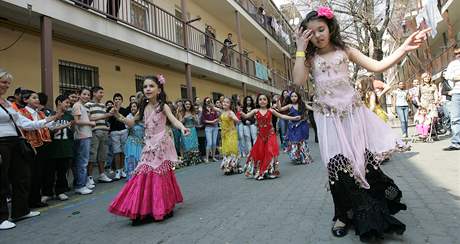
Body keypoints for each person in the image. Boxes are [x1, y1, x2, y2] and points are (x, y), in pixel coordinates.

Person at [293, 7, 428, 240]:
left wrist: (404, 47)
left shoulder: (346, 50)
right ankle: (342, 215)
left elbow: (378, 66)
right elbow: (297, 81)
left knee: (360, 162)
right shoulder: (309, 58)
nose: (318, 35)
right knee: (336, 165)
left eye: (321, 29)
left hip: (353, 115)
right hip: (327, 119)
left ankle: (370, 209)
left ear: (330, 27)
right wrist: (299, 50)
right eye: (311, 32)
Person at [109, 74, 187, 225]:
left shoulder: (163, 106)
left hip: (161, 144)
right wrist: (118, 115)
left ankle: (162, 208)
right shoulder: (143, 107)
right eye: (145, 86)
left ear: (159, 89)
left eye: (151, 86)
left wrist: (182, 127)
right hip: (148, 145)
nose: (148, 89)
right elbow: (131, 122)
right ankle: (142, 210)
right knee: (142, 174)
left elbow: (173, 119)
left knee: (159, 176)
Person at [0, 69, 61, 230]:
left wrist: (50, 118)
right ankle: (1, 218)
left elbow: (25, 123)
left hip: (16, 142)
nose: (6, 85)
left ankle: (21, 211)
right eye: (3, 82)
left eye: (8, 83)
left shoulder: (6, 103)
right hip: (2, 143)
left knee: (22, 177)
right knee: (2, 180)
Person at [241, 94, 301, 180]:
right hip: (261, 135)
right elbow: (246, 116)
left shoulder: (271, 110)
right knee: (261, 152)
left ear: (267, 101)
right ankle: (263, 170)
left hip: (270, 134)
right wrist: (241, 112)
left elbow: (282, 116)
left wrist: (294, 117)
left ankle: (272, 171)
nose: (262, 101)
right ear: (258, 101)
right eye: (260, 99)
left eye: (264, 99)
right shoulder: (255, 111)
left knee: (270, 151)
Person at [16, 90, 54, 208]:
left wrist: (56, 119)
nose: (37, 100)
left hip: (43, 145)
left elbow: (49, 126)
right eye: (34, 98)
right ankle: (31, 200)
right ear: (25, 100)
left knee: (41, 173)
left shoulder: (40, 113)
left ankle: (37, 198)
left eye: (37, 98)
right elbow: (29, 126)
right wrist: (51, 119)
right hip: (31, 146)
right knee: (32, 174)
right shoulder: (21, 112)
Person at [41, 95, 73, 203]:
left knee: (62, 172)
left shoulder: (69, 116)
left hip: (65, 148)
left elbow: (71, 133)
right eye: (66, 102)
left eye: (69, 103)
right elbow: (47, 130)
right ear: (59, 102)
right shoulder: (50, 115)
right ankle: (47, 193)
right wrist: (56, 128)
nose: (68, 105)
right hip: (52, 149)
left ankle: (60, 191)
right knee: (49, 173)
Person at [86, 86, 114, 188]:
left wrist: (107, 122)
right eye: (100, 92)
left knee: (103, 154)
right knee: (92, 154)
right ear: (94, 93)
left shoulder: (103, 106)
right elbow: (89, 118)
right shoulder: (88, 105)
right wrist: (105, 116)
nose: (102, 94)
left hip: (104, 132)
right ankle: (89, 177)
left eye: (103, 92)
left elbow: (104, 119)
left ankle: (102, 174)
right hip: (94, 132)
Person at [278, 91, 314, 164]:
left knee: (302, 141)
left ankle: (305, 157)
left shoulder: (303, 104)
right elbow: (280, 109)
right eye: (292, 96)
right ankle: (296, 157)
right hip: (293, 127)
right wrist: (278, 102)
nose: (293, 98)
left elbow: (312, 109)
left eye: (295, 96)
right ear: (290, 98)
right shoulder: (289, 106)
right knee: (294, 141)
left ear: (298, 97)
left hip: (302, 126)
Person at [72, 87, 96, 195]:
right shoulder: (77, 105)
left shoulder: (83, 106)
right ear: (79, 94)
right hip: (82, 136)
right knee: (82, 162)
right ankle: (80, 186)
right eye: (84, 94)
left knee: (83, 161)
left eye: (88, 95)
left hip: (86, 135)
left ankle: (82, 183)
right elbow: (76, 121)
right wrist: (90, 123)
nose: (86, 96)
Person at [212, 97, 242, 175]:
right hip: (224, 134)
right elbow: (214, 108)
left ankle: (233, 166)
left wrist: (235, 119)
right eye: (224, 102)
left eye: (227, 102)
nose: (225, 103)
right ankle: (228, 167)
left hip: (231, 133)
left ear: (230, 105)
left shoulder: (230, 112)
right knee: (226, 150)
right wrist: (209, 104)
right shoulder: (222, 111)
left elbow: (236, 119)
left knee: (231, 149)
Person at [108, 93, 129, 180]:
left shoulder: (125, 110)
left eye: (119, 99)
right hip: (114, 132)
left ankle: (122, 169)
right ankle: (117, 171)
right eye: (116, 99)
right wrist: (113, 111)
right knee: (116, 151)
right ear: (113, 101)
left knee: (123, 151)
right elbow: (109, 121)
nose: (117, 101)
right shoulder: (110, 110)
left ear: (122, 101)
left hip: (124, 131)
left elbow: (126, 121)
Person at [443, 47, 460, 151]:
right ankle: (456, 143)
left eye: (459, 53)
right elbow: (448, 76)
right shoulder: (453, 64)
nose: (458, 55)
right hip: (457, 93)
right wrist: (456, 77)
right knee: (455, 118)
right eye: (456, 53)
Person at [177, 100, 202, 166]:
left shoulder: (193, 112)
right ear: (184, 105)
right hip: (185, 129)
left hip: (193, 129)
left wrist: (194, 118)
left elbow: (197, 122)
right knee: (186, 144)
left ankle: (194, 160)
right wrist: (184, 118)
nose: (187, 105)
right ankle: (187, 160)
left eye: (189, 104)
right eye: (186, 104)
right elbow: (179, 123)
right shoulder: (181, 113)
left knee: (194, 144)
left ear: (191, 105)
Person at [124, 102, 144, 179]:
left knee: (140, 159)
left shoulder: (142, 117)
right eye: (131, 107)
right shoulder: (129, 116)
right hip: (131, 142)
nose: (133, 108)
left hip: (140, 142)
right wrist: (135, 118)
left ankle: (140, 177)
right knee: (131, 158)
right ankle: (131, 177)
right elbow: (128, 126)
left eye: (134, 106)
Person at [201, 97, 219, 162]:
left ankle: (213, 157)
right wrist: (212, 121)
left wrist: (215, 120)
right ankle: (207, 158)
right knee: (209, 143)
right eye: (207, 101)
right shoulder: (204, 110)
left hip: (215, 127)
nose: (208, 102)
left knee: (214, 143)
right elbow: (203, 120)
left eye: (209, 101)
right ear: (205, 102)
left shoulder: (213, 109)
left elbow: (217, 117)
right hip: (208, 127)